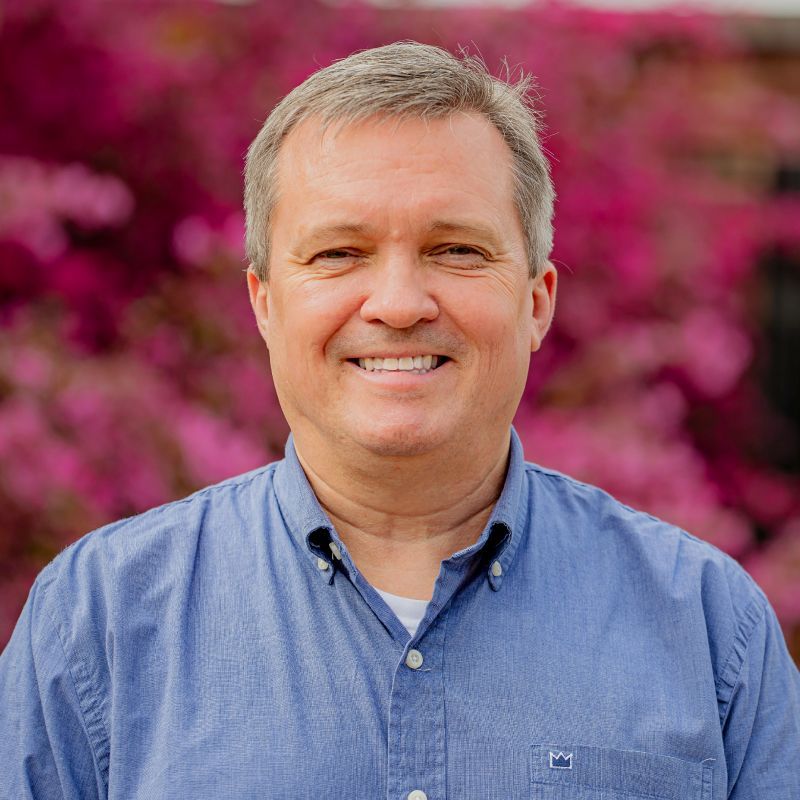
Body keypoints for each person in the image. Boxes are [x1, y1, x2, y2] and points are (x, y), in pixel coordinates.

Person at [1, 42, 798, 800]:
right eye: (339, 253)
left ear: (536, 301)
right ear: (265, 304)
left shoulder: (708, 627)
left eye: (455, 250)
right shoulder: (97, 622)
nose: (398, 304)